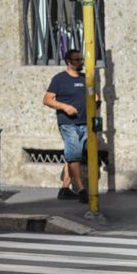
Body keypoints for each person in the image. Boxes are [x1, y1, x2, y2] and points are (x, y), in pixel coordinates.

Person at [43, 49, 92, 203]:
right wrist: (65, 107)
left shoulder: (85, 78)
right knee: (75, 155)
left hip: (84, 123)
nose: (81, 62)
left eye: (81, 59)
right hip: (68, 124)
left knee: (72, 156)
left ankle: (65, 189)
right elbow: (47, 100)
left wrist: (95, 98)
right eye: (77, 60)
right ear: (68, 62)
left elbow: (93, 95)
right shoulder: (59, 79)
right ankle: (81, 189)